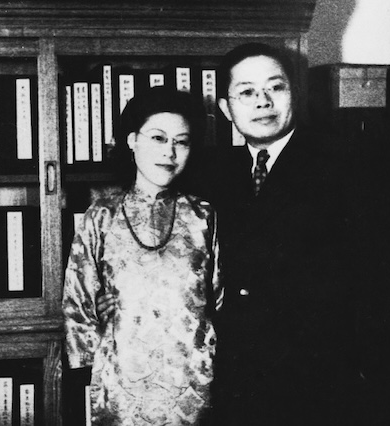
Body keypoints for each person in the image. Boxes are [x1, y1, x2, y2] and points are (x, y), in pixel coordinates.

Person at [97, 43, 364, 425]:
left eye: (275, 87)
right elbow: (160, 230)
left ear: (295, 94)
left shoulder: (344, 166)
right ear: (226, 108)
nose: (263, 102)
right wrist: (120, 291)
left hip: (315, 385)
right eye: (247, 92)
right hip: (234, 382)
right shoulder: (211, 173)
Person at [62, 86, 223, 426]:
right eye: (158, 138)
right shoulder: (101, 216)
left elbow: (221, 302)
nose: (170, 152)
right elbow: (77, 305)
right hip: (122, 383)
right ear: (132, 140)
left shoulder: (204, 216)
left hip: (191, 385)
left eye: (181, 141)